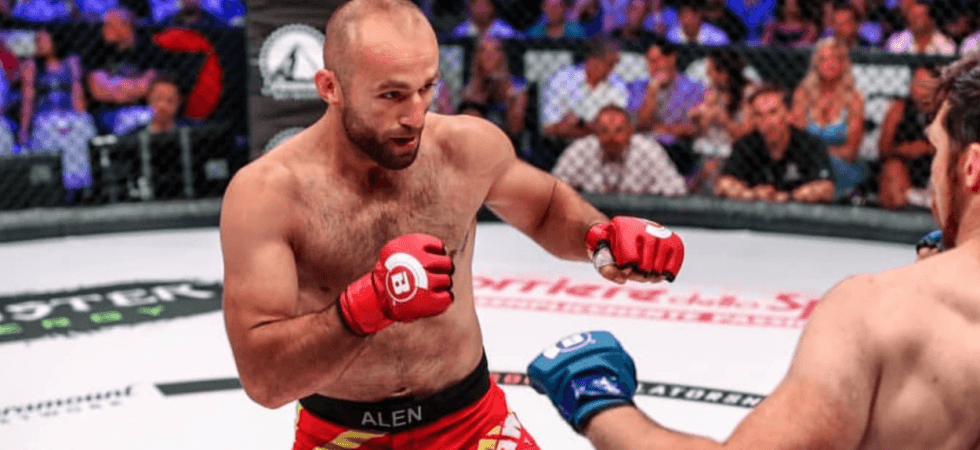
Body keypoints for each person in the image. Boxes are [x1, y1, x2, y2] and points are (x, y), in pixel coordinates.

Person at [218, 1, 684, 449]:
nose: (415, 116)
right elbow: (265, 381)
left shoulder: (464, 148)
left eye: (426, 88)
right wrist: (366, 307)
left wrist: (599, 239)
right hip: (339, 434)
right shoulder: (269, 194)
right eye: (391, 95)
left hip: (471, 421)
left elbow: (544, 207)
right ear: (330, 87)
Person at [527, 50, 980, 450]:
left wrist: (594, 396)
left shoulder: (873, 311)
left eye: (937, 150)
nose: (932, 172)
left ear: (971, 165)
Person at [715, 84, 835, 203]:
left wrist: (787, 197)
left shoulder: (810, 144)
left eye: (773, 112)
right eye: (759, 115)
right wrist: (751, 194)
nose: (767, 121)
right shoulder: (745, 145)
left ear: (788, 114)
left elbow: (826, 188)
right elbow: (723, 184)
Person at [552, 104, 687, 196]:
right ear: (596, 132)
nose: (611, 138)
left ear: (630, 132)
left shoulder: (648, 150)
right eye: (604, 131)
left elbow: (677, 189)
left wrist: (652, 196)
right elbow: (554, 188)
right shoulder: (581, 150)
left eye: (618, 131)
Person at [791, 37, 867, 200]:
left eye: (835, 59)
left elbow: (851, 151)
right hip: (807, 163)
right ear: (816, 64)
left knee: (826, 168)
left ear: (844, 64)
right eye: (824, 59)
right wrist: (824, 152)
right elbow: (796, 140)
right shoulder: (802, 94)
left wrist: (819, 153)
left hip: (842, 166)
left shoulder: (854, 99)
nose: (830, 64)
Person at [627, 40, 705, 178]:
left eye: (658, 60)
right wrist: (652, 92)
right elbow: (641, 124)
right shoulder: (638, 87)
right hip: (641, 146)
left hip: (676, 149)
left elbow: (693, 129)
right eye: (650, 62)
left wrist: (658, 128)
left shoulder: (694, 88)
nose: (654, 66)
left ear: (672, 59)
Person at [688, 48, 755, 194]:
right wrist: (698, 118)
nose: (708, 75)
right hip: (708, 151)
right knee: (705, 166)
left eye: (710, 71)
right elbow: (701, 131)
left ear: (724, 73)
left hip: (734, 152)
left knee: (710, 169)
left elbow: (746, 136)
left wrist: (723, 119)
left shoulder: (748, 93)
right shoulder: (712, 90)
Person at [86, 8, 161, 135]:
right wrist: (133, 86)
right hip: (107, 113)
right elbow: (98, 91)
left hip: (141, 109)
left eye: (109, 25)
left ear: (125, 27)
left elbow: (148, 87)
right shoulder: (98, 51)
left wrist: (113, 85)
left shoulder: (148, 50)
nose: (104, 29)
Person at [540, 35, 627, 143]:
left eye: (615, 64)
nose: (613, 69)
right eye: (610, 64)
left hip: (603, 145)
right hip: (563, 145)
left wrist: (578, 125)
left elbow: (618, 129)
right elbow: (549, 128)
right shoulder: (561, 80)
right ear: (593, 60)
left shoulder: (617, 84)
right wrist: (594, 128)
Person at [877, 64, 940, 209]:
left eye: (927, 85)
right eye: (918, 84)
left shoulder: (944, 112)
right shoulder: (899, 108)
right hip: (904, 166)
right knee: (893, 167)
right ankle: (907, 208)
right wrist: (902, 150)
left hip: (933, 166)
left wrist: (927, 148)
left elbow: (955, 147)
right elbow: (883, 149)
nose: (921, 90)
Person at [18, 29, 87, 147]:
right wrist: (24, 130)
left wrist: (80, 118)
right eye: (37, 41)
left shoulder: (71, 62)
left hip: (69, 115)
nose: (39, 45)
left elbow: (78, 95)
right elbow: (27, 100)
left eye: (43, 41)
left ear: (55, 41)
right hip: (44, 118)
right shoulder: (32, 67)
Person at [459, 35, 528, 143]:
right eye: (483, 50)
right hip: (478, 140)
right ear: (476, 56)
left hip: (509, 140)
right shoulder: (469, 85)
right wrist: (482, 85)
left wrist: (503, 88)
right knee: (471, 112)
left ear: (503, 55)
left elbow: (515, 129)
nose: (489, 55)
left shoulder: (517, 86)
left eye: (496, 50)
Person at [884, 0, 956, 55]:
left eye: (920, 18)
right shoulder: (897, 41)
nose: (916, 23)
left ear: (932, 21)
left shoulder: (946, 44)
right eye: (913, 18)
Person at [665, 0, 730, 46]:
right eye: (683, 17)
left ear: (699, 16)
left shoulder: (718, 38)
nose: (688, 22)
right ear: (679, 19)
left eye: (691, 18)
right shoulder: (671, 36)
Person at [450, 0, 520, 39]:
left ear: (493, 8)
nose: (482, 9)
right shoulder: (459, 31)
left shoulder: (506, 32)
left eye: (485, 5)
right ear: (470, 7)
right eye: (477, 5)